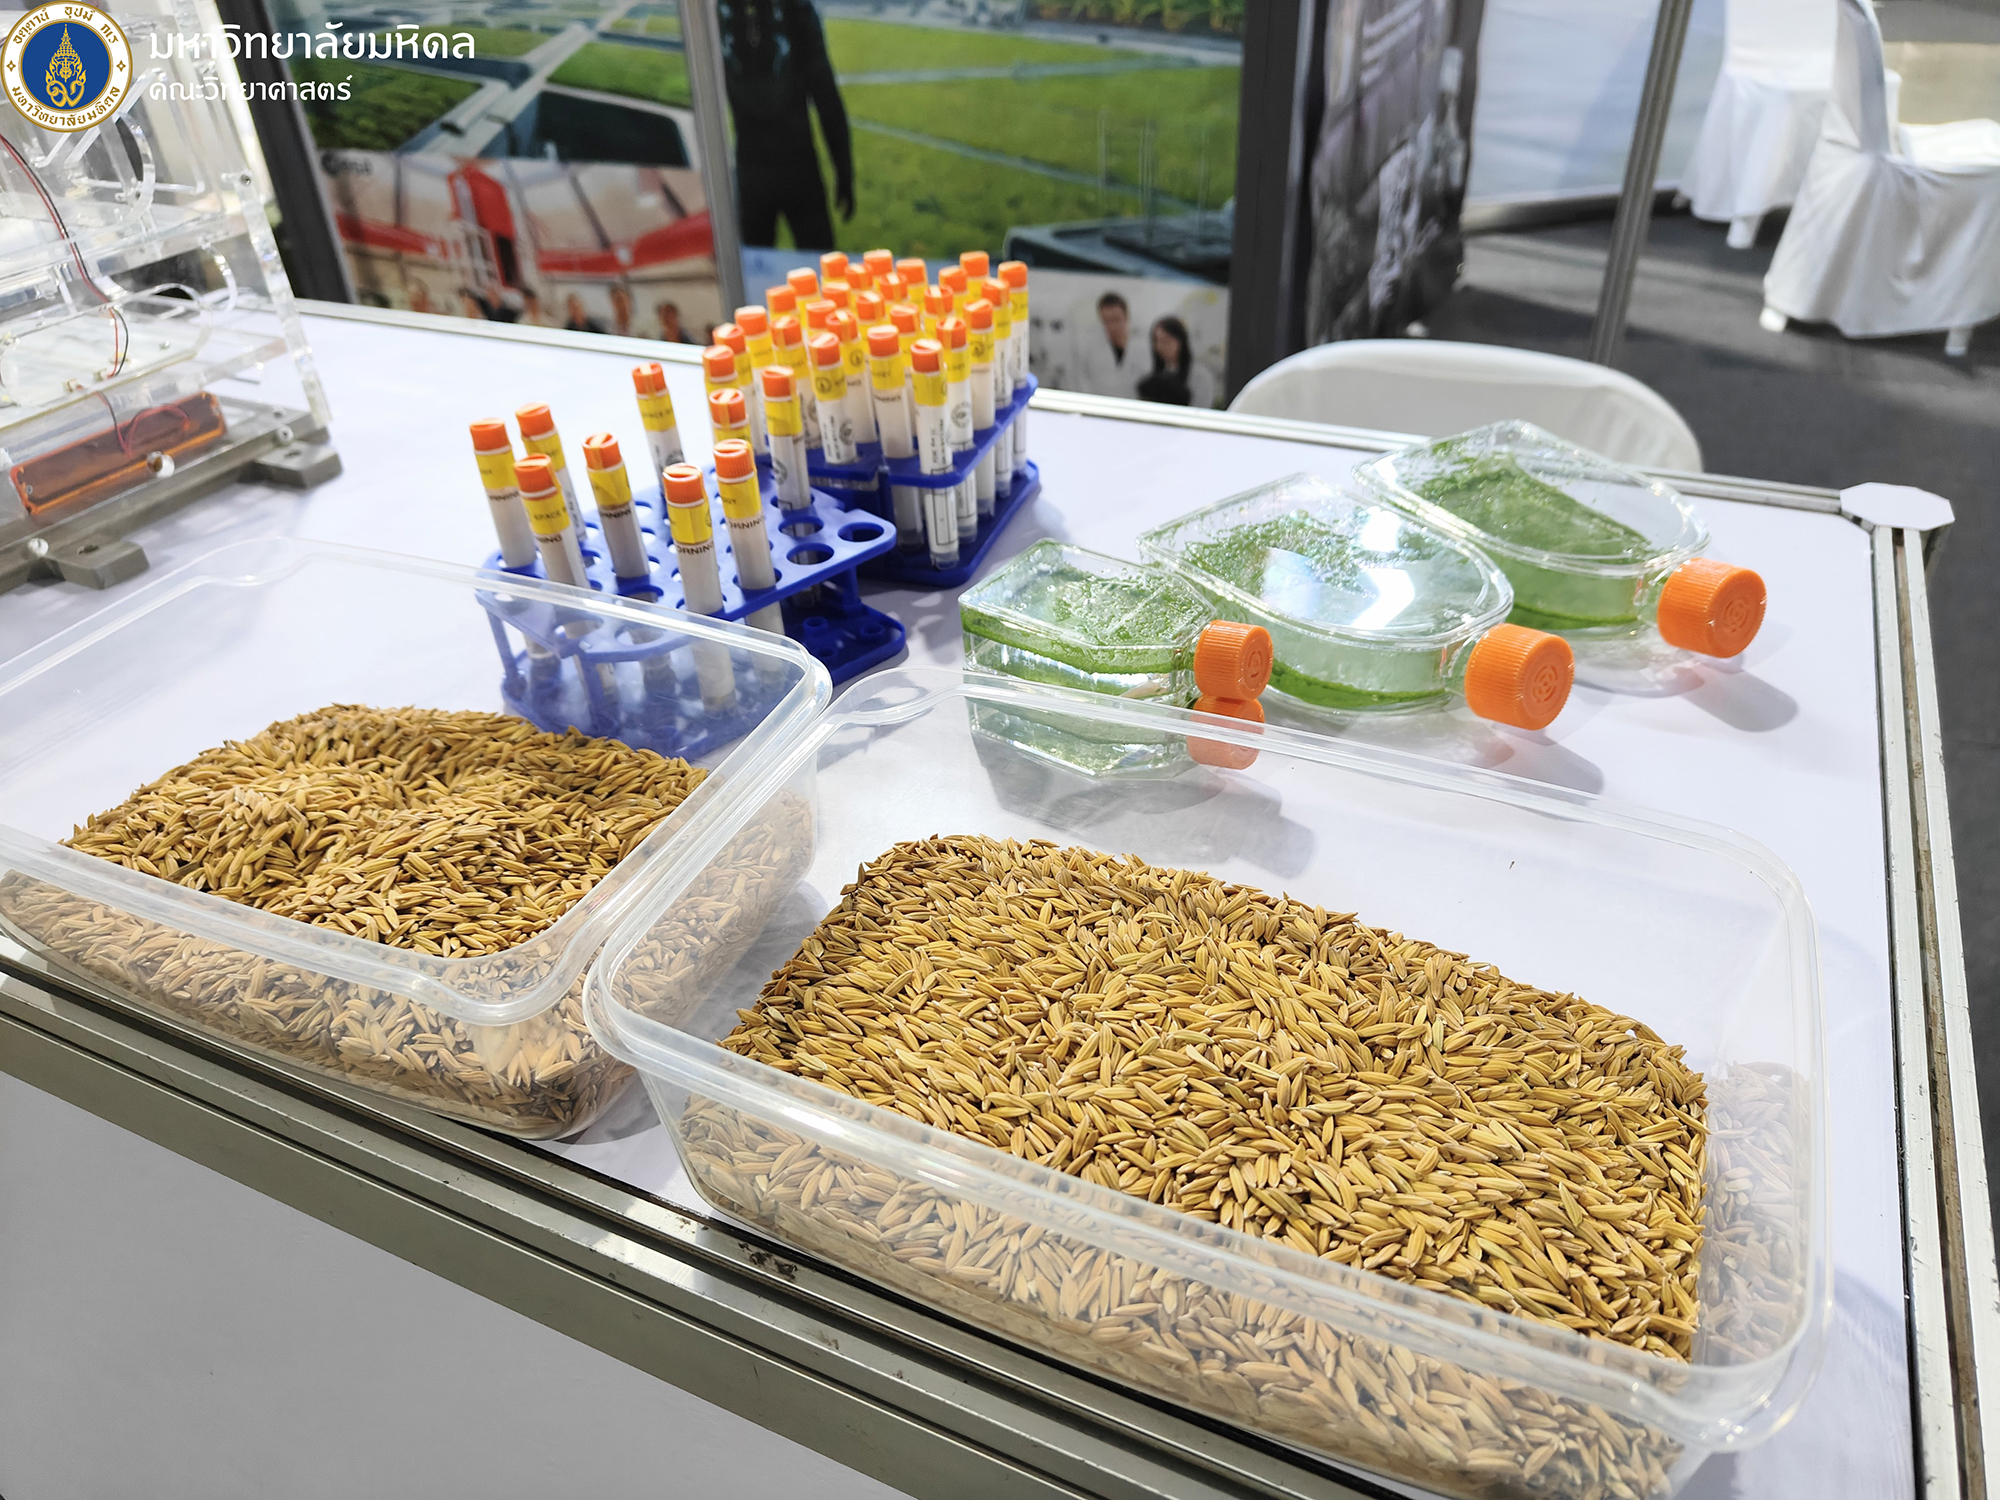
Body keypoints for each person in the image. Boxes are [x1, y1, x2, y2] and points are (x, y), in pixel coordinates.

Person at [718, 0, 853, 251]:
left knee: (753, 266)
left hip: (752, 169)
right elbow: (826, 98)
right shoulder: (796, 10)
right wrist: (843, 170)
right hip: (797, 166)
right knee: (819, 265)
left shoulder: (719, 14)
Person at [1137, 315, 1214, 409]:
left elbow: (1201, 409)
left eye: (1166, 341)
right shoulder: (1148, 373)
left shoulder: (1200, 376)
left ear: (1180, 341)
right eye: (1156, 341)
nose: (1160, 347)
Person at [1075, 290, 1141, 399]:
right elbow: (1082, 381)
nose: (1112, 326)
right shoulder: (1090, 347)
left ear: (1126, 316)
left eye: (1116, 320)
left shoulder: (1142, 347)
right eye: (1107, 321)